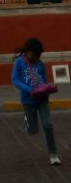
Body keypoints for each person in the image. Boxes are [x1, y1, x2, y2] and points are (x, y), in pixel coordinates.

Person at [11, 37, 61, 166]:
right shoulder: (19, 63)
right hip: (28, 100)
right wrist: (29, 89)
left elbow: (44, 80)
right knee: (32, 130)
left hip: (42, 99)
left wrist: (47, 90)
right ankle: (28, 122)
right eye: (35, 55)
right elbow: (14, 79)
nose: (37, 57)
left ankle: (53, 154)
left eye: (39, 55)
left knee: (48, 125)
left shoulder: (40, 64)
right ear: (27, 52)